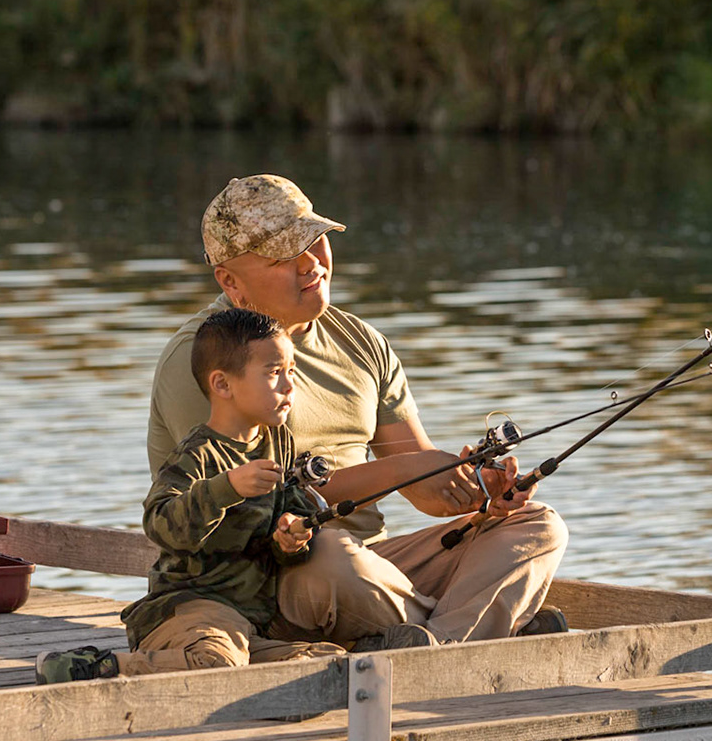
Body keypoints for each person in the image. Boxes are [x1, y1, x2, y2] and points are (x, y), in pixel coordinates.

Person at [149, 173, 567, 650]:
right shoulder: (203, 360)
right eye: (285, 255)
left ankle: (427, 641)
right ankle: (475, 632)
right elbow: (252, 503)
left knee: (537, 527)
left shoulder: (362, 343)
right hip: (267, 577)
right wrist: (410, 470)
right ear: (230, 281)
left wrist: (473, 488)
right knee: (330, 557)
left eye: (315, 240)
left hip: (372, 570)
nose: (312, 263)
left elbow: (425, 486)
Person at [37, 305, 343, 682]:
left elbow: (280, 531)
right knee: (217, 666)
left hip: (248, 620)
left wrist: (291, 535)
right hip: (186, 608)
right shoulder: (198, 454)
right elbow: (160, 523)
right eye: (274, 373)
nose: (289, 386)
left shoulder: (278, 441)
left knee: (327, 659)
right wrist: (227, 487)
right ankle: (96, 668)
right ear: (223, 385)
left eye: (291, 371)